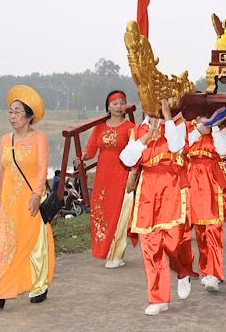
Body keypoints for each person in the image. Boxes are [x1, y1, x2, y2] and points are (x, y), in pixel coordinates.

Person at [0, 85, 54, 309]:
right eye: (10, 111)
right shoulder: (4, 140)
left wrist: (36, 195)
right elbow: (3, 171)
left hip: (31, 199)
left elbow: (42, 169)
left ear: (29, 116)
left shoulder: (39, 139)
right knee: (4, 245)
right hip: (10, 202)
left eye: (18, 111)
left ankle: (40, 286)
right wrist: (0, 199)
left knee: (35, 244)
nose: (12, 116)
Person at [119, 99, 195, 316]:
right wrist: (146, 137)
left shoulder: (178, 125)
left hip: (171, 187)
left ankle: (182, 271)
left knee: (173, 243)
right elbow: (126, 158)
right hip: (148, 190)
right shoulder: (137, 131)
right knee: (151, 246)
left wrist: (167, 119)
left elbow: (176, 146)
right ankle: (158, 297)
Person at [75, 90, 136, 269]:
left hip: (121, 174)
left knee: (119, 213)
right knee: (102, 211)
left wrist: (133, 176)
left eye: (122, 103)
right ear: (108, 106)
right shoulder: (99, 128)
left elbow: (136, 153)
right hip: (103, 176)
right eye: (115, 103)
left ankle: (117, 254)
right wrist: (82, 158)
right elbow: (91, 150)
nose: (119, 106)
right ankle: (104, 250)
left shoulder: (130, 128)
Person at [185, 111, 226, 292]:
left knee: (213, 229)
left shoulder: (220, 130)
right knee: (200, 231)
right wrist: (198, 130)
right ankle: (206, 270)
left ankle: (213, 273)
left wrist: (214, 128)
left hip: (214, 182)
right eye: (200, 116)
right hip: (193, 182)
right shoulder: (188, 129)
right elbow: (181, 148)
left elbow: (223, 150)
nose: (203, 119)